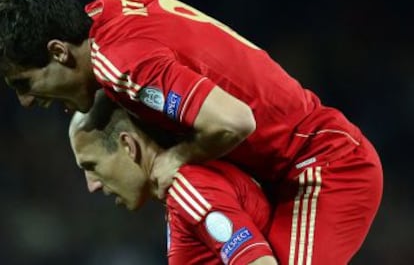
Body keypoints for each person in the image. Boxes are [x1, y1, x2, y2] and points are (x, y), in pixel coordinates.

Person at [0, 0, 383, 264]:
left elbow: (234, 121)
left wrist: (179, 156)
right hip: (277, 172)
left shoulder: (119, 65)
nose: (26, 101)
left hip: (319, 165)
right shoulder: (106, 10)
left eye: (24, 83)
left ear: (58, 51)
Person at [69, 91, 278, 265]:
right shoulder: (183, 192)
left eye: (92, 166)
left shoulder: (190, 187)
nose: (91, 185)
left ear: (128, 146)